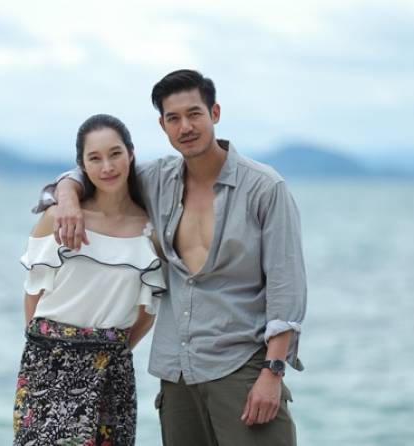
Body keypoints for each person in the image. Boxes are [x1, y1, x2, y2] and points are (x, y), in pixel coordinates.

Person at [36, 69, 307, 445]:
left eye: (194, 113)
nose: (186, 127)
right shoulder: (156, 179)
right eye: (174, 118)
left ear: (215, 113)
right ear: (162, 125)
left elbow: (285, 284)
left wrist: (273, 372)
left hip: (242, 367)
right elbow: (100, 171)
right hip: (177, 375)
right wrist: (67, 196)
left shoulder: (263, 187)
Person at [13, 114, 166, 446]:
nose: (107, 167)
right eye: (94, 158)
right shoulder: (58, 218)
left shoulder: (150, 232)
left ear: (131, 154)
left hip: (113, 369)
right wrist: (48, 349)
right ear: (82, 166)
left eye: (115, 154)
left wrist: (110, 347)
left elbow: (147, 313)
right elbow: (33, 294)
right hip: (49, 366)